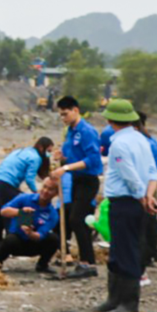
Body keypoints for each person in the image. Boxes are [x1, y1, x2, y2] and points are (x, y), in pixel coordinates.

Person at [93, 100, 157, 312]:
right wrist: (149, 196)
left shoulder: (119, 144)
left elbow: (129, 174)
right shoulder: (142, 139)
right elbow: (153, 171)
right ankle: (115, 299)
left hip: (126, 201)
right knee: (118, 250)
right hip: (137, 201)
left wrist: (141, 196)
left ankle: (129, 303)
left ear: (111, 120)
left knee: (126, 251)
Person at [50, 96, 104, 279]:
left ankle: (87, 263)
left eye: (65, 114)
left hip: (88, 181)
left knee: (77, 219)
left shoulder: (87, 131)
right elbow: (73, 157)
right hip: (76, 180)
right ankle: (86, 262)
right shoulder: (70, 131)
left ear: (75, 110)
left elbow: (92, 160)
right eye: (61, 115)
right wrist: (62, 158)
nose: (63, 118)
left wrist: (65, 168)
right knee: (76, 220)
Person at [0, 137, 55, 255]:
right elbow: (30, 179)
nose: (48, 155)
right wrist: (37, 193)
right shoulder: (36, 158)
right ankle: (13, 247)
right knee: (17, 212)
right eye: (48, 151)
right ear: (41, 147)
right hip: (7, 184)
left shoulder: (24, 151)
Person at [0, 178, 61, 273]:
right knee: (10, 239)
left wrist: (30, 233)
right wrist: (20, 212)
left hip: (34, 245)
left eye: (50, 189)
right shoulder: (25, 198)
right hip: (16, 242)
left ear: (56, 194)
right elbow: (3, 211)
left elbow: (41, 234)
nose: (45, 191)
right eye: (44, 187)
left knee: (54, 239)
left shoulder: (52, 214)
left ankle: (42, 265)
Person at [135, 112, 157, 286]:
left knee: (146, 226)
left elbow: (156, 168)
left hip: (146, 189)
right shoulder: (146, 141)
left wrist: (151, 192)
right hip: (145, 189)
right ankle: (155, 251)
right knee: (149, 224)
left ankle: (148, 258)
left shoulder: (148, 143)